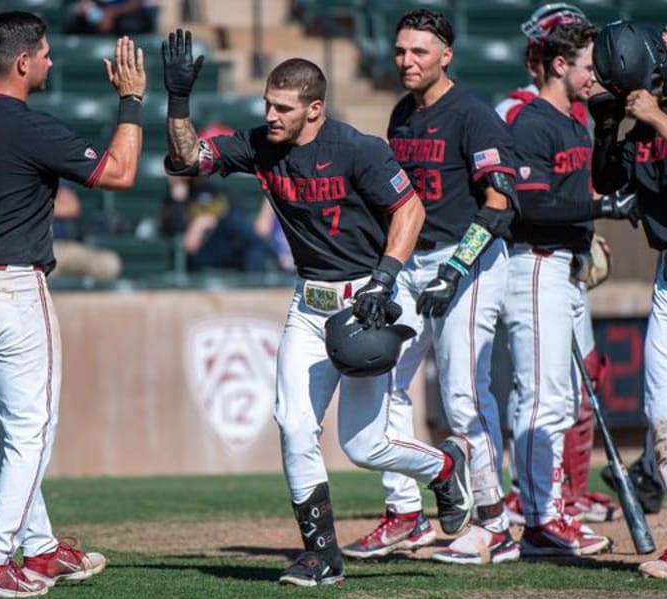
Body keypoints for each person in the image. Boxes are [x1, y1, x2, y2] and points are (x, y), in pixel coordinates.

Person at [163, 29, 474, 586]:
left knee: (364, 444)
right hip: (310, 301)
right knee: (293, 424)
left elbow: (411, 213)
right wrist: (179, 101)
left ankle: (445, 466)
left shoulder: (358, 148)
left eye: (283, 107)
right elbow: (186, 159)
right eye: (267, 104)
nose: (271, 115)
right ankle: (321, 554)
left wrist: (385, 279)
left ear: (314, 108)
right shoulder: (261, 144)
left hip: (370, 296)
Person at [0, 11, 145, 598]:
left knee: (4, 432)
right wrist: (131, 101)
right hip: (12, 289)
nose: (49, 62)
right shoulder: (31, 128)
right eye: (44, 55)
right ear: (22, 62)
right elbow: (120, 172)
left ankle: (41, 549)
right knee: (32, 430)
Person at [342, 9, 520, 565]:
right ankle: (406, 514)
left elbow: (500, 204)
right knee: (384, 380)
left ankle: (496, 524)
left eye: (419, 51)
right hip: (414, 264)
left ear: (446, 55)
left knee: (464, 396)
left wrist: (453, 271)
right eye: (400, 51)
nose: (406, 61)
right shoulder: (402, 114)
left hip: (470, 263)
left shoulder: (473, 115)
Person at [504, 19, 638, 557]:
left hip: (561, 265)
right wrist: (599, 208)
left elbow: (591, 182)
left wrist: (606, 137)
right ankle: (540, 518)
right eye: (586, 65)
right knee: (542, 398)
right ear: (560, 65)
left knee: (555, 397)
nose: (594, 76)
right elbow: (531, 204)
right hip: (534, 264)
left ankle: (548, 513)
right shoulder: (531, 122)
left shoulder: (573, 119)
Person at [591, 10, 667, 579]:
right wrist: (607, 129)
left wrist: (654, 116)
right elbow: (608, 181)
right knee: (665, 414)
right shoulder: (648, 117)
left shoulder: (661, 116)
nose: (664, 36)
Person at [160, 173, 276, 273]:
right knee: (246, 232)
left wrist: (209, 221)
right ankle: (276, 255)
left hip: (227, 245)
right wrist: (178, 200)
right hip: (199, 250)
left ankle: (255, 285)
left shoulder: (221, 192)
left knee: (247, 237)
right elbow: (172, 230)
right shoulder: (178, 200)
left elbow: (240, 224)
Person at [50, 184, 123, 281]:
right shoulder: (27, 183)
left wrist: (52, 208)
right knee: (42, 269)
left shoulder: (54, 183)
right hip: (49, 249)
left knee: (110, 263)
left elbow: (73, 207)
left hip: (74, 246)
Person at [66, 0, 154, 36]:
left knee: (128, 26)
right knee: (73, 25)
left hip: (127, 17)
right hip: (97, 16)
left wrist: (111, 14)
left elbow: (135, 4)